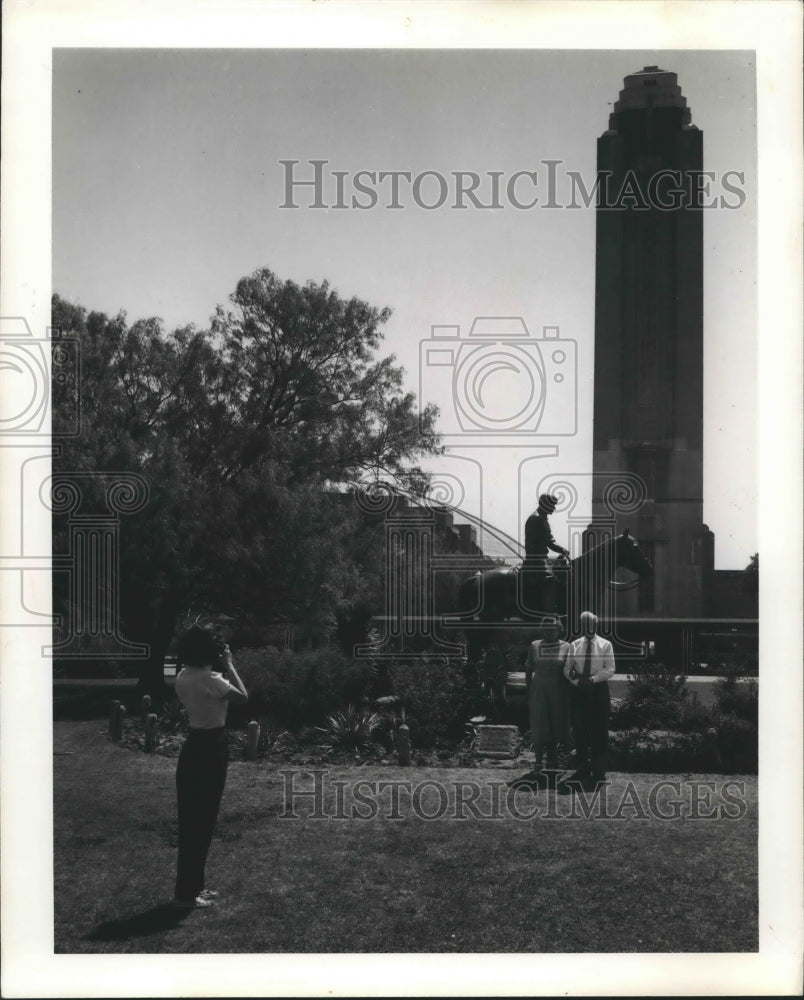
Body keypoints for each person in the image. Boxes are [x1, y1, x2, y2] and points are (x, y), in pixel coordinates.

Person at [171, 624, 248, 909]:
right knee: (202, 821)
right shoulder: (211, 678)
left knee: (191, 821)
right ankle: (186, 895)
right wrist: (229, 663)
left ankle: (192, 888)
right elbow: (244, 696)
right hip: (211, 748)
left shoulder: (184, 676)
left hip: (192, 747)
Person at [563, 611, 615, 784]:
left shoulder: (605, 644)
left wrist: (592, 680)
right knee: (580, 730)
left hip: (598, 689)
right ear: (581, 626)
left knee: (599, 730)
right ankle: (582, 768)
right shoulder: (574, 645)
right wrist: (577, 682)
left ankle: (599, 770)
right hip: (579, 691)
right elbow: (567, 668)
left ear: (596, 625)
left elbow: (610, 669)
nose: (589, 628)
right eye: (585, 624)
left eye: (591, 624)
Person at [524, 616, 572, 779]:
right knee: (539, 723)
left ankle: (553, 761)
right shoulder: (535, 645)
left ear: (559, 629)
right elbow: (529, 668)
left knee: (556, 724)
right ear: (542, 629)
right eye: (546, 628)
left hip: (559, 690)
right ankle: (538, 761)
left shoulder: (567, 646)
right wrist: (529, 689)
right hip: (539, 689)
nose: (549, 631)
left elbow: (571, 669)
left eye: (553, 629)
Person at [522, 494, 570, 612]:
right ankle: (548, 612)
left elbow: (549, 541)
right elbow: (550, 542)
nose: (554, 508)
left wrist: (561, 550)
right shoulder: (538, 519)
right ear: (545, 505)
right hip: (536, 561)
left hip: (541, 558)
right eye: (552, 505)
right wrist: (562, 550)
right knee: (551, 580)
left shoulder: (541, 518)